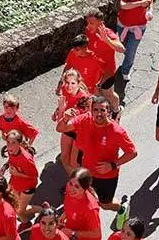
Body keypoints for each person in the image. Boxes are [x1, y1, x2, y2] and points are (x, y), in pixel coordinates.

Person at [57, 96, 138, 230]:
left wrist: (112, 165)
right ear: (91, 110)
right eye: (96, 110)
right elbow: (61, 128)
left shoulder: (117, 131)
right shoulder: (84, 119)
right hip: (87, 173)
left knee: (105, 204)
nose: (99, 114)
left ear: (108, 112)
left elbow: (132, 152)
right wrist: (65, 117)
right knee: (84, 198)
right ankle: (79, 227)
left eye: (102, 110)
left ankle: (122, 207)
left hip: (107, 176)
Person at [84, 9, 126, 117]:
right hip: (94, 71)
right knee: (96, 94)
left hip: (107, 72)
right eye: (87, 22)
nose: (88, 26)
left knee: (109, 94)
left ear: (100, 22)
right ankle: (102, 114)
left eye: (91, 23)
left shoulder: (107, 33)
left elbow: (121, 49)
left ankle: (117, 110)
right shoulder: (88, 31)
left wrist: (106, 40)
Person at [116, 0, 154, 81]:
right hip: (123, 26)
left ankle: (125, 70)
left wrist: (150, 11)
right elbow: (123, 5)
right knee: (125, 48)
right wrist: (139, 3)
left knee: (131, 51)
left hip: (139, 27)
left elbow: (150, 0)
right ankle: (127, 59)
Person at [53, 74, 90, 176]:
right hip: (67, 127)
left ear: (78, 83)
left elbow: (61, 126)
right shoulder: (65, 91)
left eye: (73, 83)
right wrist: (58, 110)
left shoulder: (84, 99)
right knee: (64, 157)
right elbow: (61, 123)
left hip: (79, 132)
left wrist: (61, 111)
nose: (69, 86)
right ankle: (72, 182)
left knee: (74, 163)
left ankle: (79, 184)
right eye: (67, 83)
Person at [1, 130, 39, 223]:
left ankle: (28, 222)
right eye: (8, 142)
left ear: (19, 143)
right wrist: (5, 167)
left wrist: (18, 174)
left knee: (19, 211)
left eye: (13, 143)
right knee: (12, 204)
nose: (10, 146)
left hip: (27, 187)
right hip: (15, 182)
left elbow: (35, 176)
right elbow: (11, 160)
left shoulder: (26, 159)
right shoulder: (11, 151)